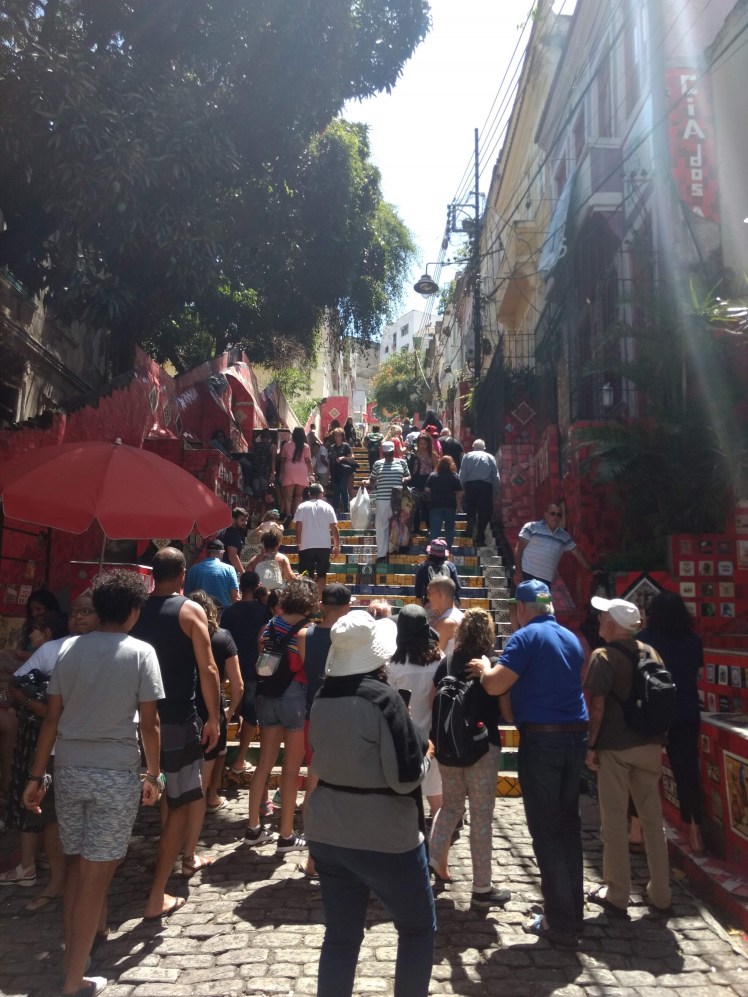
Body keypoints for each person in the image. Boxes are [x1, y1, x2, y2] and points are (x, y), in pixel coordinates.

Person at [22, 569, 163, 997]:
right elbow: (150, 725)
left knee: (77, 870)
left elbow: (52, 718)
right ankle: (73, 981)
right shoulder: (141, 653)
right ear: (134, 610)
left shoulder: (67, 650)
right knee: (94, 878)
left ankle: (76, 963)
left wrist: (35, 775)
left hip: (68, 768)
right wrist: (153, 773)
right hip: (115, 772)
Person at [305, 612, 436, 997]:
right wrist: (425, 752)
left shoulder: (322, 697)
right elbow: (406, 776)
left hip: (328, 829)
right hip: (385, 834)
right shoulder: (384, 699)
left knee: (340, 937)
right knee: (417, 929)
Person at [474, 579, 588, 948]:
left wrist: (486, 666)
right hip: (575, 737)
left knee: (547, 830)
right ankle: (572, 911)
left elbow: (494, 685)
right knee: (568, 826)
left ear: (522, 608)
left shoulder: (524, 638)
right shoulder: (571, 638)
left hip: (543, 740)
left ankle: (559, 921)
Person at [130, 547, 221, 919]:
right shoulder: (190, 611)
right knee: (181, 802)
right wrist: (214, 717)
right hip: (176, 720)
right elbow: (209, 668)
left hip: (136, 719)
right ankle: (159, 891)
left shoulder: (134, 611)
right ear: (182, 574)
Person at [584, 596, 672, 916]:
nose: (598, 621)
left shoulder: (603, 655)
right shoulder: (651, 652)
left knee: (614, 822)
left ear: (611, 624)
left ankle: (618, 894)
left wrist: (591, 746)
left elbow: (597, 706)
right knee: (652, 821)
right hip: (650, 745)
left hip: (615, 747)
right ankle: (661, 894)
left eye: (602, 617)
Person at [430, 609, 510, 909]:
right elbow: (506, 709)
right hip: (482, 748)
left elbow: (433, 699)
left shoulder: (448, 661)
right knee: (481, 816)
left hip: (449, 748)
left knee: (450, 807)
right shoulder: (492, 664)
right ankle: (482, 887)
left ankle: (431, 860)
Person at [244, 579, 318, 853]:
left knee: (264, 764)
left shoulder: (270, 626)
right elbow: (306, 668)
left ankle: (253, 827)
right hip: (294, 696)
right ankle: (286, 834)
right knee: (290, 769)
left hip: (267, 696)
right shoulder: (306, 631)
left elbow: (263, 658)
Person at [0, 610, 69, 904]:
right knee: (45, 810)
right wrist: (36, 706)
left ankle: (41, 867)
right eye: (78, 612)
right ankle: (45, 871)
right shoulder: (51, 651)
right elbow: (17, 684)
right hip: (42, 738)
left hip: (68, 743)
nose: (30, 634)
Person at [636, 591, 705, 854]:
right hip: (686, 710)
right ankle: (695, 833)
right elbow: (695, 671)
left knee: (644, 773)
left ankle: (640, 830)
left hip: (654, 713)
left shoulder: (645, 640)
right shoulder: (693, 640)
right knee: (687, 774)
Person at [182, 591, 243, 868]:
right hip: (210, 711)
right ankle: (189, 850)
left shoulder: (179, 635)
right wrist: (229, 712)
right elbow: (237, 684)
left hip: (180, 708)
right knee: (202, 780)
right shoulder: (222, 637)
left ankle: (173, 837)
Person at [298, 583, 353, 879]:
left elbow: (307, 672)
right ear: (346, 607)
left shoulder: (304, 635)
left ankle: (313, 859)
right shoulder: (349, 639)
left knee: (314, 786)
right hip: (344, 716)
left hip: (314, 715)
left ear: (321, 605)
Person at [387, 605, 442, 816]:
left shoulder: (391, 664)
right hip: (432, 737)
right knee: (436, 797)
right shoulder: (439, 660)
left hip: (402, 739)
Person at [221, 571, 271, 784]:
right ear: (257, 585)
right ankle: (240, 758)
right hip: (255, 667)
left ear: (240, 586)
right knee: (250, 713)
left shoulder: (229, 612)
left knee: (239, 708)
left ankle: (231, 754)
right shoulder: (264, 611)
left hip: (233, 667)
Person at [513, 502, 593, 589]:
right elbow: (519, 548)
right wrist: (518, 571)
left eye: (559, 515)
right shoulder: (531, 527)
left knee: (541, 599)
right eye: (553, 514)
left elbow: (577, 553)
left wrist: (590, 569)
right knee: (521, 598)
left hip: (545, 582)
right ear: (545, 514)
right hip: (525, 575)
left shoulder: (564, 536)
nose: (556, 517)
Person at [365, 441, 411, 563]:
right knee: (381, 526)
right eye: (386, 453)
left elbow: (409, 476)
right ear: (383, 453)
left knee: (398, 524)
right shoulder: (377, 464)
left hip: (398, 499)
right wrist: (367, 483)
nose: (389, 455)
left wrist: (405, 479)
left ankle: (393, 550)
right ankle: (382, 554)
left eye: (390, 453)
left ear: (393, 451)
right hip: (382, 499)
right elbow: (372, 480)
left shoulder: (402, 462)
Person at [294, 483, 341, 596]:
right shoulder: (328, 507)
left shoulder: (302, 507)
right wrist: (336, 545)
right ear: (322, 493)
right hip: (323, 546)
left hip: (306, 545)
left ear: (309, 494)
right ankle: (319, 598)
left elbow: (298, 526)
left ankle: (307, 598)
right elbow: (334, 527)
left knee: (306, 575)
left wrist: (299, 542)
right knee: (322, 574)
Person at [459, 439, 499, 547]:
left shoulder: (467, 456)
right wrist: (496, 490)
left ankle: (470, 521)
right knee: (484, 512)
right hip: (485, 487)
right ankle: (480, 537)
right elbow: (495, 475)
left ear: (473, 447)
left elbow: (462, 474)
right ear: (484, 448)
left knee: (470, 507)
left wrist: (461, 488)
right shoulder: (490, 457)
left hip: (470, 486)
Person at [184, 539, 239, 609]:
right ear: (222, 553)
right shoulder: (229, 569)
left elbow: (187, 596)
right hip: (223, 613)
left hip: (200, 612)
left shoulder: (193, 569)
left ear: (207, 553)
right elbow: (235, 598)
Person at [425, 455, 463, 549]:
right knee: (449, 528)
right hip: (450, 505)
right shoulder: (454, 476)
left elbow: (426, 489)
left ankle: (433, 549)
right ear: (451, 464)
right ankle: (448, 549)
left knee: (435, 529)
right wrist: (458, 502)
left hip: (435, 505)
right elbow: (461, 491)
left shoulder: (433, 475)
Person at [279, 427, 314, 523]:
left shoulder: (286, 445)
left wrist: (281, 473)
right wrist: (311, 473)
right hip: (302, 470)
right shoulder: (305, 446)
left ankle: (288, 514)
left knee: (288, 496)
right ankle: (296, 514)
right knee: (298, 495)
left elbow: (282, 460)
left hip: (289, 469)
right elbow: (308, 461)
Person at [413, 539, 462, 607]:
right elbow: (457, 587)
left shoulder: (423, 566)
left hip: (429, 604)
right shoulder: (451, 566)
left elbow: (418, 590)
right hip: (447, 605)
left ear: (430, 552)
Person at [407, 433, 439, 535]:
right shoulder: (414, 454)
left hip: (427, 481)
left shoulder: (432, 454)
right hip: (416, 480)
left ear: (428, 444)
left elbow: (436, 468)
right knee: (415, 506)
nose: (422, 446)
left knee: (426, 505)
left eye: (424, 443)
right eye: (420, 443)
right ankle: (415, 529)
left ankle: (430, 528)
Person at [427, 576, 464, 653]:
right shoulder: (459, 615)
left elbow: (433, 656)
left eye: (430, 593)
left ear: (440, 595)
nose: (428, 597)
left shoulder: (446, 622)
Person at [328, 427, 356, 514]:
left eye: (339, 435)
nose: (337, 437)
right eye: (335, 435)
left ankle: (346, 509)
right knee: (336, 491)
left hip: (343, 472)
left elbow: (352, 458)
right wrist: (328, 472)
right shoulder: (332, 447)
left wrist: (343, 458)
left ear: (342, 436)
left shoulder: (346, 446)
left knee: (343, 489)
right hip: (334, 471)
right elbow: (329, 460)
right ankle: (336, 509)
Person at [216, 506, 249, 577]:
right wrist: (243, 573)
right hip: (227, 572)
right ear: (233, 520)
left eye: (246, 520)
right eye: (242, 520)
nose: (245, 523)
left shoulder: (224, 530)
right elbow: (232, 555)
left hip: (219, 570)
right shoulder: (233, 533)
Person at [250, 429, 277, 510]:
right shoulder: (272, 446)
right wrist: (273, 473)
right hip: (265, 472)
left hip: (255, 471)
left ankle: (254, 511)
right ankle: (262, 513)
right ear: (269, 437)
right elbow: (273, 460)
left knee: (256, 494)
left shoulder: (255, 445)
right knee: (264, 494)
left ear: (261, 437)